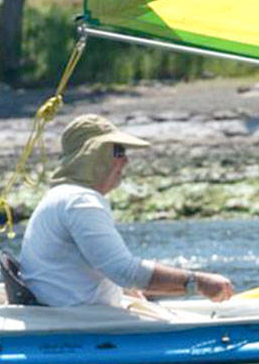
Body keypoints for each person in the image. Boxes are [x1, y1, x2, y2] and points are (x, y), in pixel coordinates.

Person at [19, 114, 234, 307]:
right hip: (79, 325)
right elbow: (125, 271)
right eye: (119, 151)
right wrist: (199, 283)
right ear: (94, 155)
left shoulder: (62, 195)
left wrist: (125, 289)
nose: (126, 160)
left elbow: (94, 268)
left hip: (69, 313)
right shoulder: (80, 202)